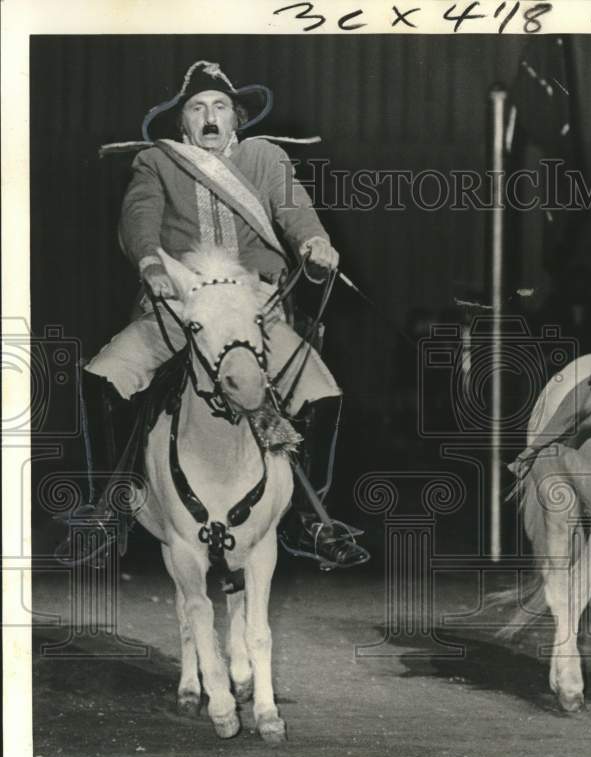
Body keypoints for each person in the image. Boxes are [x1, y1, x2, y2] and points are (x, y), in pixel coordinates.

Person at [69, 61, 368, 569]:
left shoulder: (265, 157)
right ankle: (113, 506)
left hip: (256, 310)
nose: (210, 118)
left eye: (220, 107)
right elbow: (137, 218)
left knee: (324, 393)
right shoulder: (157, 161)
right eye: (197, 108)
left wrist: (316, 241)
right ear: (181, 122)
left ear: (237, 118)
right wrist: (149, 261)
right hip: (180, 305)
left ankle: (305, 517)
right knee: (103, 377)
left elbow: (294, 210)